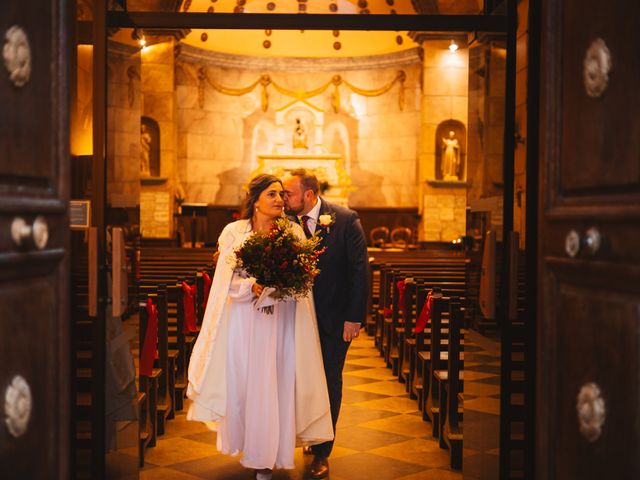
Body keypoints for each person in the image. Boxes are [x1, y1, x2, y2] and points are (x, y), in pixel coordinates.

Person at [187, 173, 334, 480]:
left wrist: (283, 285)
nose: (280, 200)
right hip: (244, 320)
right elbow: (225, 282)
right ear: (254, 201)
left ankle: (268, 457)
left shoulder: (293, 232)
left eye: (282, 195)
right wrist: (252, 287)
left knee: (275, 384)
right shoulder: (234, 232)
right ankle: (251, 446)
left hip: (280, 321)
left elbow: (304, 280)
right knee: (247, 384)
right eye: (272, 194)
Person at [283, 169, 369, 479]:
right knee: (299, 381)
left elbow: (359, 271)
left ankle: (322, 453)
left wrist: (354, 316)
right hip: (292, 320)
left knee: (329, 381)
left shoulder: (345, 219)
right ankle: (307, 434)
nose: (283, 198)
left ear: (308, 194)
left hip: (334, 320)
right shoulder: (283, 223)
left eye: (289, 193)